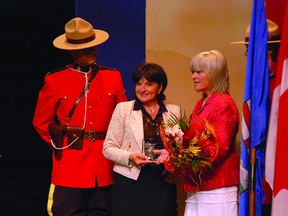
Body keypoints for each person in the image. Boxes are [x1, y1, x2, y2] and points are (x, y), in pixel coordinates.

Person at [32, 17, 127, 216]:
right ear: (72, 51)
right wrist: (61, 145)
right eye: (85, 47)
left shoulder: (112, 76)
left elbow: (123, 119)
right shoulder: (55, 80)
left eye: (93, 46)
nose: (91, 50)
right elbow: (41, 122)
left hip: (104, 166)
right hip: (69, 167)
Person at [102, 62, 180, 216]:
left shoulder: (173, 111)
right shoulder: (124, 109)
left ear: (160, 87)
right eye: (139, 84)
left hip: (162, 182)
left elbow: (179, 147)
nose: (142, 89)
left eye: (148, 84)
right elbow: (108, 148)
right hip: (130, 183)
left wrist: (172, 157)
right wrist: (130, 157)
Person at [231, 19, 281, 214]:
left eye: (249, 49)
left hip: (274, 168)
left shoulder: (277, 86)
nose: (246, 54)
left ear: (266, 51)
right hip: (260, 172)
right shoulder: (259, 84)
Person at [183, 50, 240, 216]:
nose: (194, 76)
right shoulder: (201, 103)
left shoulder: (223, 103)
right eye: (193, 71)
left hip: (217, 186)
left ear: (214, 74)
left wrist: (186, 156)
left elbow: (219, 148)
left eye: (199, 72)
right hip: (200, 184)